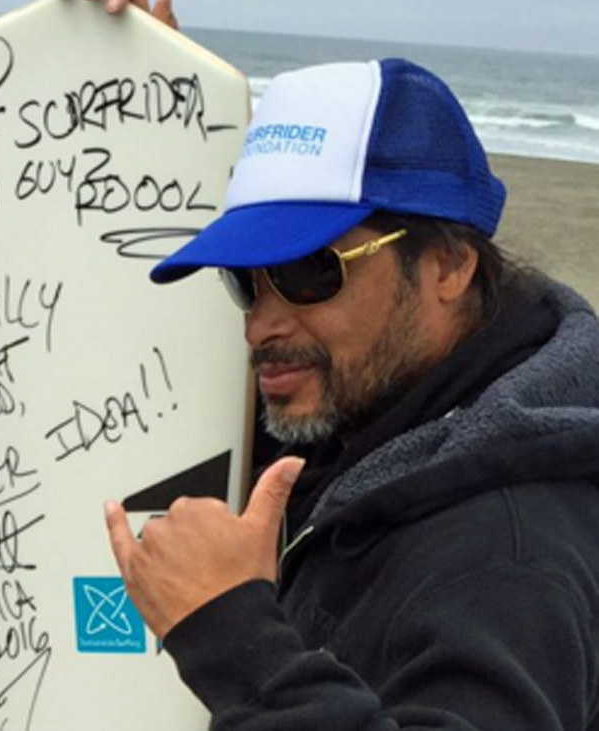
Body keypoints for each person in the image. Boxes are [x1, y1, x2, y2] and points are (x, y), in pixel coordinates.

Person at [104, 58, 599, 729]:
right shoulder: (375, 404)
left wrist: (234, 636)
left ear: (449, 264)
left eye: (309, 271)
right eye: (245, 280)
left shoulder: (507, 552)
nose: (259, 323)